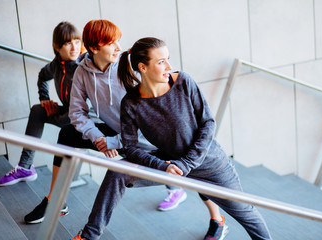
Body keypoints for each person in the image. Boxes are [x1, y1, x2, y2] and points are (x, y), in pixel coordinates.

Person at [71, 38, 272, 240]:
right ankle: (89, 236)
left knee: (247, 215)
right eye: (161, 62)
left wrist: (186, 163)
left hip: (209, 164)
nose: (168, 66)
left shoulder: (183, 82)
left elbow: (208, 123)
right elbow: (131, 148)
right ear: (143, 67)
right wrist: (162, 166)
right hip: (169, 165)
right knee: (117, 172)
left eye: (168, 59)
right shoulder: (131, 103)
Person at [23, 19, 186, 224]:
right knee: (66, 134)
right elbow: (77, 113)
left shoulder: (130, 67)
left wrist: (114, 142)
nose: (118, 47)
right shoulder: (83, 72)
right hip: (115, 134)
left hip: (147, 140)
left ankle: (216, 218)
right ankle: (55, 199)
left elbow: (152, 117)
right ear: (93, 48)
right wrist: (98, 137)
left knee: (199, 169)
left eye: (118, 41)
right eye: (111, 43)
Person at [0, 21, 84, 189]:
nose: (74, 47)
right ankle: (25, 167)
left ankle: (57, 194)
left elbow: (84, 108)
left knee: (65, 131)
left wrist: (56, 115)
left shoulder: (84, 66)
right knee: (38, 110)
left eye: (77, 41)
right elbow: (43, 76)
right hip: (68, 113)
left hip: (84, 119)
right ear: (57, 47)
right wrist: (45, 99)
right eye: (68, 43)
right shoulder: (57, 64)